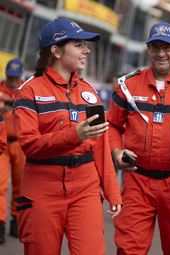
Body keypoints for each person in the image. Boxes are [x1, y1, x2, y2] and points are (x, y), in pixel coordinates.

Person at [12, 18, 122, 254]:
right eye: (79, 44)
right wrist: (74, 135)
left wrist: (112, 192)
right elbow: (29, 145)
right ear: (56, 50)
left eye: (85, 44)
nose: (87, 50)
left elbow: (101, 147)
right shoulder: (28, 91)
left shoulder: (90, 92)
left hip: (86, 188)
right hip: (42, 187)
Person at [107, 22, 170, 255]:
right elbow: (112, 125)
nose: (161, 53)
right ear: (148, 49)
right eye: (155, 47)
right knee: (128, 249)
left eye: (167, 47)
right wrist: (116, 152)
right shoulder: (128, 86)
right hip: (137, 182)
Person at [0, 58, 25, 243]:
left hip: (20, 143)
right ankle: (0, 224)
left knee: (20, 185)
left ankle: (17, 220)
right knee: (1, 184)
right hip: (2, 143)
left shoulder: (27, 90)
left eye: (15, 77)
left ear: (21, 76)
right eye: (10, 76)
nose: (12, 81)